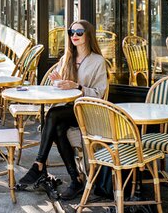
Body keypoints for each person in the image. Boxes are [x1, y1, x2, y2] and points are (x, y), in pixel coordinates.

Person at [17, 19, 108, 200]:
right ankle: (75, 180)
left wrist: (78, 87)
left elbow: (99, 93)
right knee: (58, 127)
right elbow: (57, 88)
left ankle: (39, 165)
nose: (74, 36)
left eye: (79, 32)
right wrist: (58, 81)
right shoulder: (66, 58)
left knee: (52, 114)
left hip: (88, 110)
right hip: (67, 110)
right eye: (71, 32)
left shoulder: (98, 61)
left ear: (88, 35)